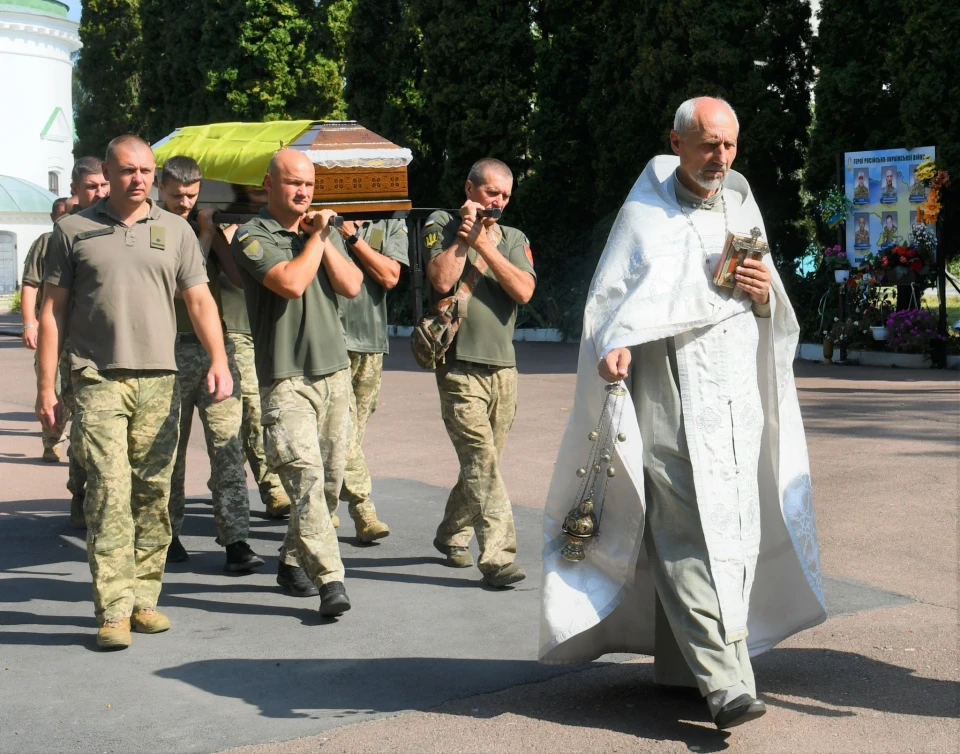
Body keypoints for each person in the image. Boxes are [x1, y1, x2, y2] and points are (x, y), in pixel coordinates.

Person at [539, 97, 826, 730]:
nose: (720, 157)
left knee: (732, 520)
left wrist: (761, 297)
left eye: (728, 145)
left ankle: (679, 666)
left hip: (733, 391)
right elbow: (613, 296)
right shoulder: (645, 211)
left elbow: (768, 299)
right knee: (685, 520)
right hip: (667, 381)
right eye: (707, 145)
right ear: (676, 142)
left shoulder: (742, 206)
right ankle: (727, 681)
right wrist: (612, 343)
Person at [37, 135, 232, 650]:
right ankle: (113, 608)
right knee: (107, 490)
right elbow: (52, 313)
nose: (138, 179)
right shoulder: (73, 231)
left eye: (146, 170)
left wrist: (218, 360)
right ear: (108, 171)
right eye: (127, 170)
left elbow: (199, 300)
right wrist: (45, 389)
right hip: (97, 378)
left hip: (161, 380)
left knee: (153, 493)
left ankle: (146, 598)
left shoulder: (176, 231)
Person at [231, 149, 363, 616]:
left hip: (333, 372)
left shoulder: (318, 234)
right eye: (292, 183)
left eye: (308, 184)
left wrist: (324, 239)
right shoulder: (251, 234)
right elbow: (289, 282)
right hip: (285, 378)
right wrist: (318, 239)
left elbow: (351, 286)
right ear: (269, 185)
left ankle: (291, 561)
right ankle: (330, 579)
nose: (303, 192)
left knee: (328, 484)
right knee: (305, 480)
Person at [423, 158, 536, 588]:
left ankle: (452, 532)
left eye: (506, 196)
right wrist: (467, 238)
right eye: (491, 193)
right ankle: (498, 556)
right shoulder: (442, 224)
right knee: (481, 462)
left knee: (485, 464)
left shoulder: (513, 238)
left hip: (503, 368)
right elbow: (440, 280)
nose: (499, 203)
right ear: (469, 189)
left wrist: (487, 243)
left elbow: (524, 291)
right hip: (458, 368)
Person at [158, 156, 264, 572]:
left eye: (191, 194)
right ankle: (166, 535)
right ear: (162, 191)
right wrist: (202, 233)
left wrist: (220, 236)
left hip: (214, 349)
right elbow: (182, 286)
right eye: (176, 195)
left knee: (227, 447)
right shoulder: (154, 227)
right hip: (169, 350)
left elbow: (238, 279)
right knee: (169, 450)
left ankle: (236, 539)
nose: (184, 202)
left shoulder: (205, 224)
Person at [330, 216, 409, 542]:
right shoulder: (320, 219)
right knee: (339, 431)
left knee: (352, 432)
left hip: (371, 342)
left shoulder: (388, 223)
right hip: (329, 341)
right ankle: (363, 509)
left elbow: (390, 276)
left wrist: (352, 238)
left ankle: (326, 501)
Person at [20, 197, 70, 462]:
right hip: (52, 327)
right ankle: (52, 440)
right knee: (53, 386)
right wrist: (30, 323)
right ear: (53, 218)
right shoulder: (45, 242)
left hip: (84, 330)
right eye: (60, 215)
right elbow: (30, 284)